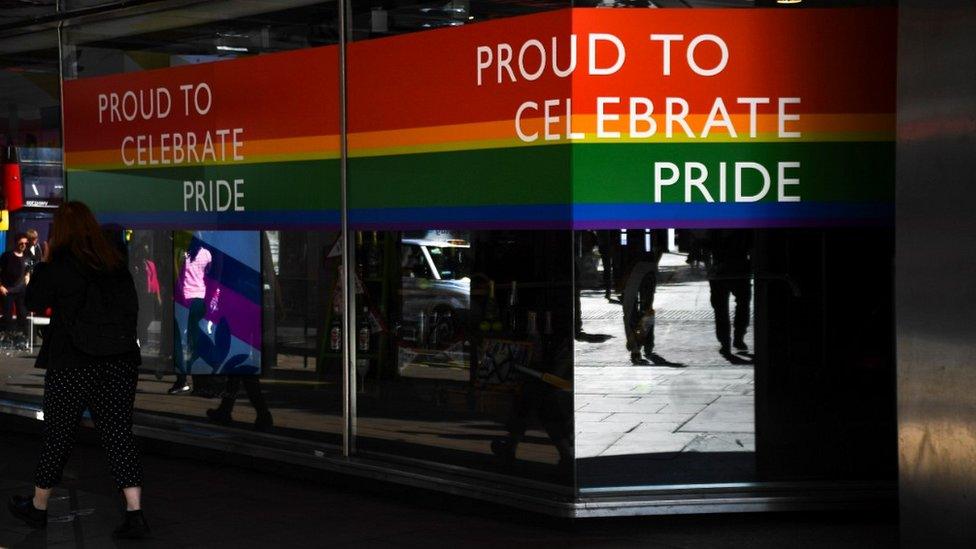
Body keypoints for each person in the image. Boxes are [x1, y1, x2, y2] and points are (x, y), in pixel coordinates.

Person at [6, 201, 149, 539]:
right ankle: (135, 512)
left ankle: (39, 508)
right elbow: (131, 309)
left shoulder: (61, 264)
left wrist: (44, 263)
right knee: (118, 434)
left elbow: (34, 301)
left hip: (73, 362)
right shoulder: (114, 264)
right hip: (118, 360)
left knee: (58, 434)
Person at [169, 237, 212, 395]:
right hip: (200, 300)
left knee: (179, 341)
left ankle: (182, 381)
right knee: (194, 340)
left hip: (184, 300)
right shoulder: (207, 254)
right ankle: (200, 383)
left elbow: (177, 278)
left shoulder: (181, 253)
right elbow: (208, 275)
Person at [704, 229, 753, 357]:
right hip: (738, 270)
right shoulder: (743, 227)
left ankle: (727, 341)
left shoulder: (714, 227)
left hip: (721, 272)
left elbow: (702, 244)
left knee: (721, 308)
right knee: (741, 304)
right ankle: (737, 338)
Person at [0, 233, 31, 334]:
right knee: (7, 317)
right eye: (21, 243)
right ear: (16, 243)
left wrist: (27, 279)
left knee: (22, 314)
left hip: (21, 291)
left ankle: (22, 338)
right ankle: (7, 338)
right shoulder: (6, 256)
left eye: (26, 243)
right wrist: (1, 287)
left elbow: (27, 272)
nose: (23, 245)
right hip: (7, 290)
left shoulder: (27, 257)